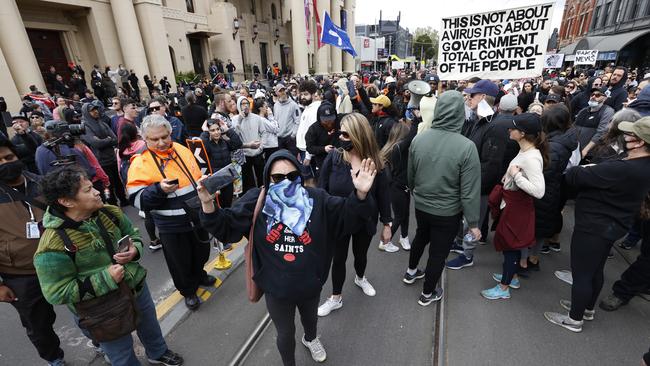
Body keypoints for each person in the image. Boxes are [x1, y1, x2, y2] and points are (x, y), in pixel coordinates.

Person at [198, 149, 378, 366]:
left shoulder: (316, 199)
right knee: (285, 333)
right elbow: (226, 228)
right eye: (277, 178)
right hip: (277, 288)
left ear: (300, 177)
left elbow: (348, 217)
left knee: (310, 320)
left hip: (310, 284)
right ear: (267, 178)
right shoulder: (257, 200)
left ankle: (311, 339)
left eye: (292, 176)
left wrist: (360, 195)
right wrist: (208, 204)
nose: (286, 182)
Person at [34, 165, 184, 366]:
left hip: (136, 288)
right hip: (102, 310)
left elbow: (134, 235)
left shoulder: (110, 212)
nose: (97, 192)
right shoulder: (52, 245)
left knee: (150, 326)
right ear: (66, 201)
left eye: (92, 186)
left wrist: (134, 250)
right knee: (120, 353)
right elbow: (56, 292)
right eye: (87, 190)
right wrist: (105, 279)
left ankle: (158, 352)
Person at [544, 117, 650, 332]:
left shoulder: (625, 168)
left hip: (595, 224)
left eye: (631, 134)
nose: (626, 137)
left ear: (640, 142)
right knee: (595, 269)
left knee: (582, 273)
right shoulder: (640, 165)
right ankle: (586, 308)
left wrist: (588, 168)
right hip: (612, 224)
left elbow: (575, 175)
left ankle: (574, 319)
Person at [126, 115, 214, 310]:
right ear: (145, 139)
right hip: (171, 226)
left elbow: (196, 176)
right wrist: (158, 190)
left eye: (164, 137)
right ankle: (188, 291)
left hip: (196, 216)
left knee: (201, 252)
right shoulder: (140, 163)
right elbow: (137, 200)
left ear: (170, 133)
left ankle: (200, 275)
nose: (161, 142)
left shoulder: (182, 150)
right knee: (179, 262)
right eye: (154, 139)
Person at [405, 91, 481, 306]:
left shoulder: (419, 140)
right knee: (438, 252)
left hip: (421, 205)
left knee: (421, 235)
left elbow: (410, 176)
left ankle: (410, 272)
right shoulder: (466, 147)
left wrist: (416, 191)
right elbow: (469, 191)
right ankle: (427, 293)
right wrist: (473, 223)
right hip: (448, 212)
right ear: (458, 113)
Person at [318, 113, 392, 316]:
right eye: (340, 133)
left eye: (345, 134)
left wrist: (387, 224)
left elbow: (384, 196)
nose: (340, 137)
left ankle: (360, 277)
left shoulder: (376, 163)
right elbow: (321, 189)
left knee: (361, 254)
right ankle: (335, 297)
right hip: (339, 220)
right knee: (338, 258)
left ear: (359, 136)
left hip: (365, 220)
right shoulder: (334, 158)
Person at [0, 139, 65, 366]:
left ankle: (100, 342)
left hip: (62, 262)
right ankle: (54, 359)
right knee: (37, 324)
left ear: (17, 156)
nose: (5, 163)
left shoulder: (42, 183)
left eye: (8, 158)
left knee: (85, 309)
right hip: (20, 275)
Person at [521, 105, 577, 274]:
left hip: (542, 191)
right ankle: (533, 258)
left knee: (530, 227)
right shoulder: (565, 140)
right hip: (552, 190)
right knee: (540, 228)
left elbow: (543, 173)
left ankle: (525, 261)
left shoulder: (553, 146)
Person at [81, 103, 127, 206]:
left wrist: (104, 140)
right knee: (107, 185)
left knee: (118, 181)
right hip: (101, 161)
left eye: (96, 109)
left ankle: (123, 199)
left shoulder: (102, 123)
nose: (96, 111)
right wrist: (107, 139)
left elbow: (115, 139)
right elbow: (95, 143)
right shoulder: (85, 126)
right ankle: (112, 203)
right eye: (92, 110)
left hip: (112, 158)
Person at [380, 120, 416, 251]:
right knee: (400, 216)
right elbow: (412, 137)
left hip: (402, 187)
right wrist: (417, 121)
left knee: (405, 214)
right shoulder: (397, 148)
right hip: (397, 188)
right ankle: (384, 241)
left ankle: (404, 237)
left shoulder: (394, 147)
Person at [200, 117, 242, 208]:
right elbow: (203, 148)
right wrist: (205, 132)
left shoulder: (225, 142)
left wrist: (227, 130)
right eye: (212, 130)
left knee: (228, 203)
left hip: (228, 177)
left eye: (218, 129)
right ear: (209, 132)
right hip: (215, 180)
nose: (216, 132)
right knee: (218, 206)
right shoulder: (207, 145)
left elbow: (238, 143)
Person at [232, 97, 265, 192]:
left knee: (261, 178)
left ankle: (263, 196)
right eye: (242, 104)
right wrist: (239, 120)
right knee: (248, 181)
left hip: (257, 152)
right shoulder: (235, 119)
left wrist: (261, 147)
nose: (245, 105)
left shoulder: (256, 117)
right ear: (239, 106)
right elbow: (235, 137)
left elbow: (263, 132)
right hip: (245, 155)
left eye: (247, 103)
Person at [574, 87, 615, 158]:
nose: (593, 97)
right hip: (575, 149)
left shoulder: (607, 111)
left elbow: (601, 132)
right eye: (592, 94)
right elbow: (573, 127)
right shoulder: (583, 110)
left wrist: (585, 150)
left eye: (597, 95)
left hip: (590, 153)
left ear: (605, 98)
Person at [305, 102, 338, 181]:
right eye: (325, 121)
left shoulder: (339, 123)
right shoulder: (313, 129)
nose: (329, 123)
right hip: (322, 163)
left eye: (331, 120)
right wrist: (324, 149)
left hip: (339, 162)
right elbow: (310, 148)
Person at [295, 81, 321, 174]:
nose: (302, 97)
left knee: (310, 181)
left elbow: (313, 134)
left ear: (314, 94)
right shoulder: (308, 107)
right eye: (301, 94)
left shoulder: (315, 109)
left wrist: (308, 156)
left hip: (309, 153)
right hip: (303, 150)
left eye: (306, 94)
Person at [273, 83, 301, 156]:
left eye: (283, 90)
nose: (282, 92)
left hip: (290, 138)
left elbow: (298, 121)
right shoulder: (275, 105)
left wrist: (293, 134)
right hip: (279, 138)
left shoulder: (293, 105)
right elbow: (275, 120)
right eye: (280, 91)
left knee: (293, 160)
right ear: (276, 93)